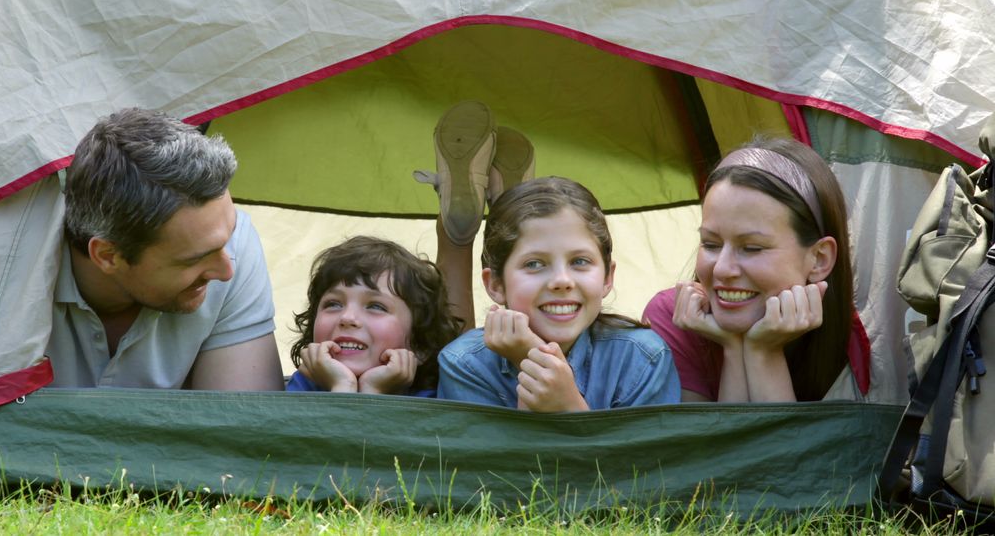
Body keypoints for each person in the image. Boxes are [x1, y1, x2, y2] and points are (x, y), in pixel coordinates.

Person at [46, 108, 284, 390]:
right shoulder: (9, 264)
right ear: (108, 256)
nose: (227, 270)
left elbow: (241, 427)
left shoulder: (234, 242)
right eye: (193, 259)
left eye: (227, 238)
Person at [642, 137, 870, 403]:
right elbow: (722, 446)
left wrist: (763, 352)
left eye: (751, 247)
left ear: (819, 259)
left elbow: (781, 446)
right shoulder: (673, 317)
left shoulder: (863, 337)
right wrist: (733, 348)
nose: (723, 269)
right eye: (711, 243)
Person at [435, 176, 681, 411]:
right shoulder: (464, 363)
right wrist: (532, 365)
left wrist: (569, 406)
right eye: (534, 264)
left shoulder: (643, 358)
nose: (562, 281)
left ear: (607, 278)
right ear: (496, 285)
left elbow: (645, 456)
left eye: (580, 261)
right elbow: (499, 456)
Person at [285, 236, 463, 396]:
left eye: (376, 306)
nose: (347, 318)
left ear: (420, 345)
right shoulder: (303, 387)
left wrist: (372, 391)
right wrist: (342, 385)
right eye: (333, 304)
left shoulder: (436, 403)